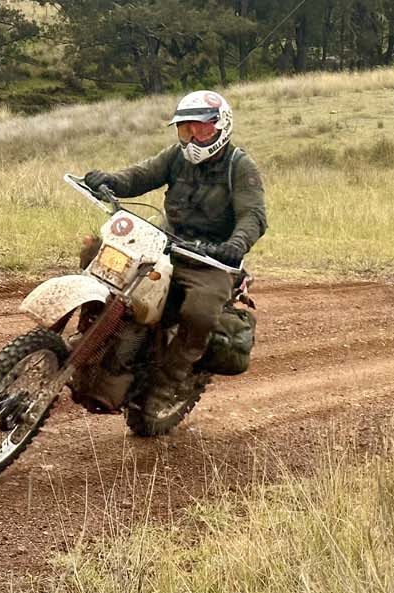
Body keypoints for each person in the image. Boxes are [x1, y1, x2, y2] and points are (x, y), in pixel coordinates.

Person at [82, 90, 266, 409]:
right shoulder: (176, 157)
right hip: (166, 243)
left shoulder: (240, 166)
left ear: (221, 126)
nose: (193, 137)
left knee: (199, 311)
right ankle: (91, 336)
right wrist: (109, 180)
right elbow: (141, 175)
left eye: (202, 129)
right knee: (97, 253)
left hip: (211, 259)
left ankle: (167, 383)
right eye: (186, 129)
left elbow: (253, 215)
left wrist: (235, 245)